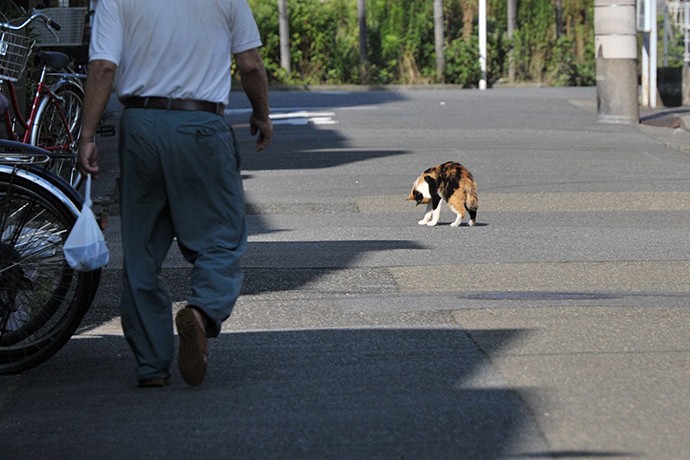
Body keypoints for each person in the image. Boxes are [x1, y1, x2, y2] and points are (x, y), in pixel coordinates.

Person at [78, 0, 272, 388]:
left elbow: (103, 68)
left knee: (141, 248)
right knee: (221, 238)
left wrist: (86, 135)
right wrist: (261, 114)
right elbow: (250, 65)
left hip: (141, 127)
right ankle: (201, 312)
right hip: (200, 124)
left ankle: (151, 364)